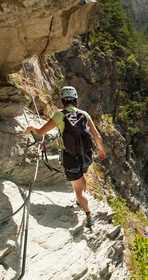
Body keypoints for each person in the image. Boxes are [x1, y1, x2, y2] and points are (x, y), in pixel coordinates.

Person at [27, 86, 106, 226]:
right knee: (82, 175)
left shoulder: (59, 115)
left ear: (63, 100)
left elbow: (41, 132)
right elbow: (97, 135)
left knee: (78, 189)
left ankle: (88, 214)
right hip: (86, 157)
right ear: (76, 100)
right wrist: (101, 150)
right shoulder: (84, 114)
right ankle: (81, 200)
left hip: (70, 159)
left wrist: (33, 128)